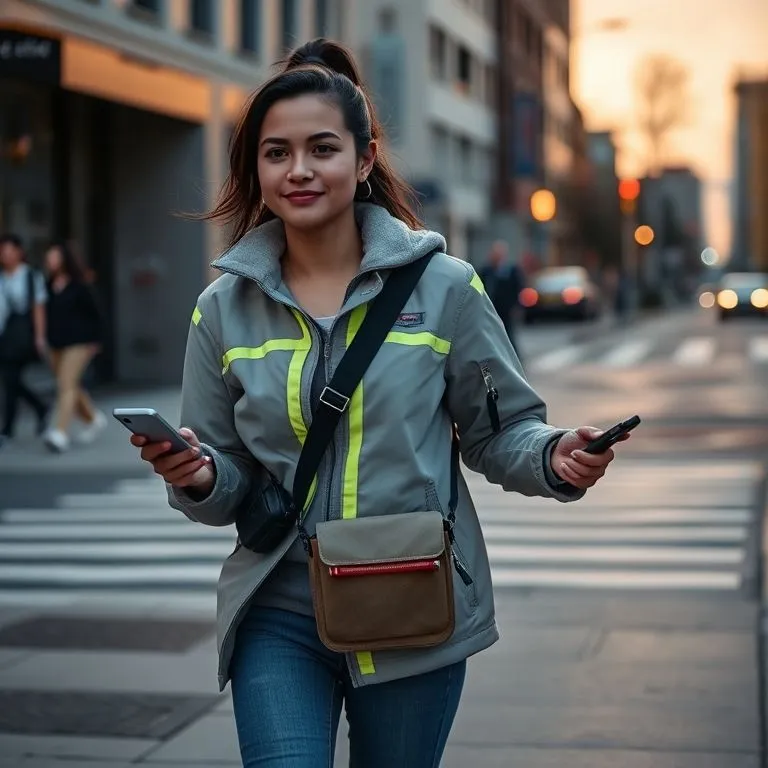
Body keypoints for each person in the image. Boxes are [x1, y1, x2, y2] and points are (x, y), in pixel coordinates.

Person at [129, 39, 627, 768]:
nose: (298, 170)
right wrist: (196, 475)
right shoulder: (221, 311)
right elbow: (224, 477)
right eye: (276, 154)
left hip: (412, 603)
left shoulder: (445, 289)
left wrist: (554, 457)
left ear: (364, 160)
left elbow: (501, 431)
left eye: (322, 148)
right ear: (255, 171)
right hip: (278, 607)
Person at [41, 241, 106, 452]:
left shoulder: (80, 284)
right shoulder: (48, 284)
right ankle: (93, 418)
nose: (51, 261)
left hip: (80, 342)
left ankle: (59, 432)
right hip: (56, 343)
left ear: (63, 259)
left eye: (54, 256)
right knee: (69, 384)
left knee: (65, 385)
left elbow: (95, 314)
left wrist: (96, 340)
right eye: (48, 257)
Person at [0, 233, 49, 449]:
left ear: (20, 252)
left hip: (22, 336)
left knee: (10, 380)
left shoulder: (31, 276)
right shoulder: (1, 277)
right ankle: (39, 407)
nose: (5, 255)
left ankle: (8, 428)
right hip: (4, 334)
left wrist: (39, 337)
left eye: (10, 250)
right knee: (10, 381)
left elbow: (38, 309)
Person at [477, 240, 525, 353]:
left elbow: (518, 289)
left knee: (508, 334)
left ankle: (514, 358)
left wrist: (517, 306)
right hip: (490, 308)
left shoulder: (511, 270)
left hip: (507, 309)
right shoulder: (486, 271)